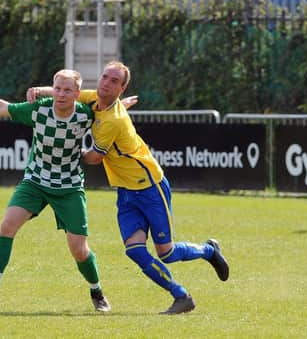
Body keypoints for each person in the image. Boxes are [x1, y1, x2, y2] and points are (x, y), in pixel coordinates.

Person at [27, 61, 229, 315]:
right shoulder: (94, 98)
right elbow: (67, 90)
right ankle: (181, 296)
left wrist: (65, 149)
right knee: (134, 250)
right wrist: (40, 90)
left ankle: (209, 250)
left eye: (114, 81)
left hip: (150, 188)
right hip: (125, 191)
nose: (106, 83)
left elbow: (94, 158)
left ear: (121, 88)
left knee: (166, 253)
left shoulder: (113, 120)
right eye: (104, 77)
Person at [0, 69, 111, 312]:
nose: (61, 94)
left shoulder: (86, 115)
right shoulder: (40, 109)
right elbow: (4, 107)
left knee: (79, 249)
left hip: (69, 187)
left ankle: (97, 292)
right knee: (7, 226)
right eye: (57, 89)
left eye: (67, 90)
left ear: (77, 94)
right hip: (35, 181)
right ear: (52, 89)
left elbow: (109, 111)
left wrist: (121, 105)